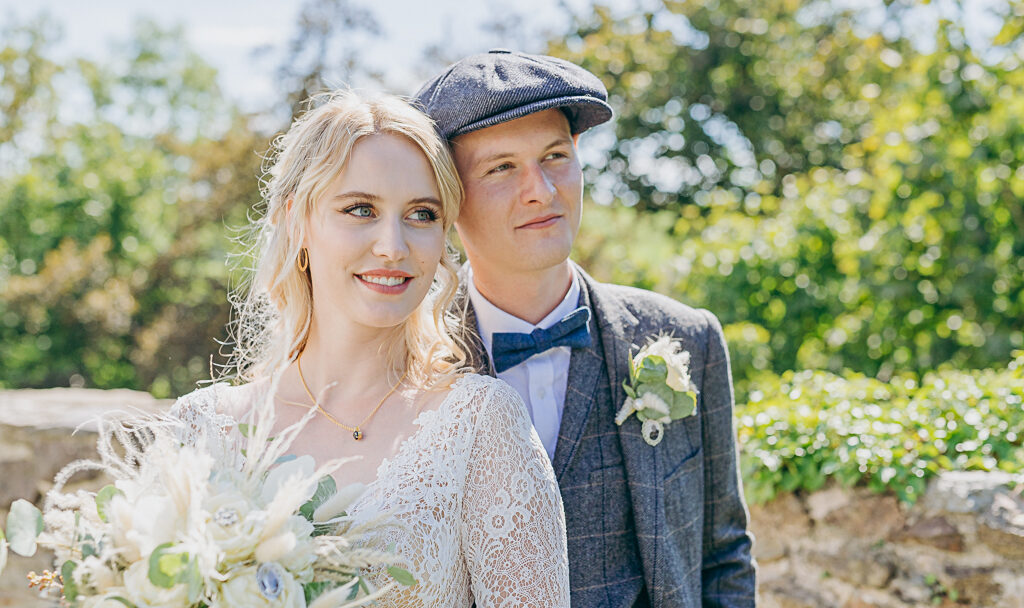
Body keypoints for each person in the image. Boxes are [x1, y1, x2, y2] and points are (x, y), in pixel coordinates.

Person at [170, 91, 570, 606]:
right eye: (361, 209)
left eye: (422, 215)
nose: (393, 245)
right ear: (298, 222)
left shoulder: (480, 426)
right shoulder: (200, 431)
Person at [414, 50, 756, 607]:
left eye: (555, 156)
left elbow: (724, 553)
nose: (542, 192)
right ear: (448, 198)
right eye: (501, 168)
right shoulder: (400, 361)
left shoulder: (689, 339)